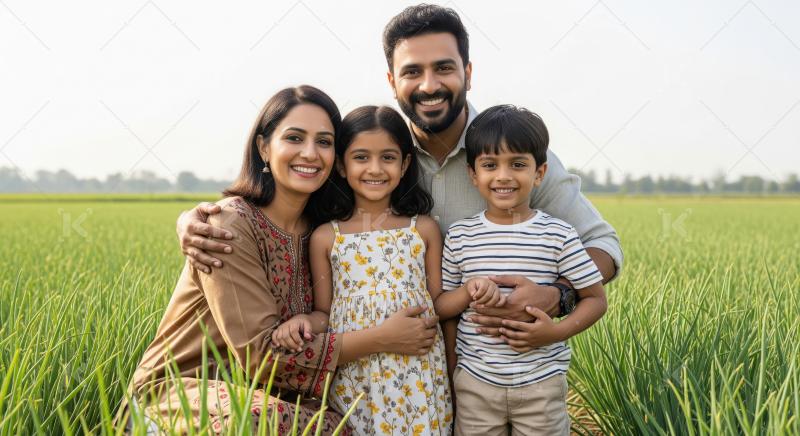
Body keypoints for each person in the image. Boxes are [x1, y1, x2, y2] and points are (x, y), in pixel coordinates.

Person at [174, 6, 622, 353]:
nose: (429, 85)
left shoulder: (509, 157)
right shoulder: (377, 157)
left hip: (499, 360)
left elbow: (603, 245)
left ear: (468, 72)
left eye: (444, 68)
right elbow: (293, 195)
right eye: (412, 71)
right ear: (392, 81)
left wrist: (557, 294)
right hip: (386, 365)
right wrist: (199, 218)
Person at [126, 86, 440, 434]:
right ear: (264, 147)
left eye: (324, 142)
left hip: (276, 396)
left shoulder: (322, 231)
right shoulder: (228, 226)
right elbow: (261, 358)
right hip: (185, 394)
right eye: (294, 137)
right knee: (268, 420)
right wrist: (383, 338)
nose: (310, 153)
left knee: (344, 426)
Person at [272, 105, 452, 435]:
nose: (375, 168)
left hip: (419, 371)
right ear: (341, 165)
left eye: (388, 157)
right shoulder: (327, 236)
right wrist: (302, 322)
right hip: (356, 374)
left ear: (405, 164)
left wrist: (472, 293)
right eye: (361, 157)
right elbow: (324, 312)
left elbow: (438, 302)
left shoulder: (422, 229)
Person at [434, 105, 607, 435]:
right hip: (476, 384)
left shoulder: (559, 234)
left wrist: (554, 333)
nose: (503, 176)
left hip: (541, 385)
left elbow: (596, 300)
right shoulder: (460, 235)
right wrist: (470, 290)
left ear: (539, 172)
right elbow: (441, 306)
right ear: (473, 174)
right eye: (489, 165)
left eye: (517, 164)